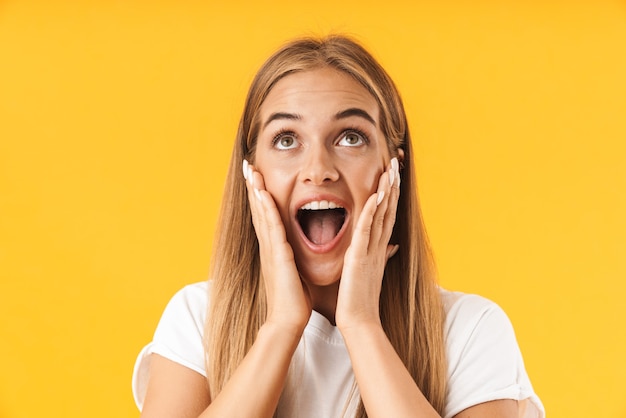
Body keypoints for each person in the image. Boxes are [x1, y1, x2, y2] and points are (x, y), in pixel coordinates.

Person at [132, 35, 545, 418]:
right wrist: (280, 327)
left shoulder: (470, 329)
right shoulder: (198, 318)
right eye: (286, 139)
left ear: (393, 169)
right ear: (252, 173)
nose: (318, 170)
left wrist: (362, 323)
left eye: (350, 137)